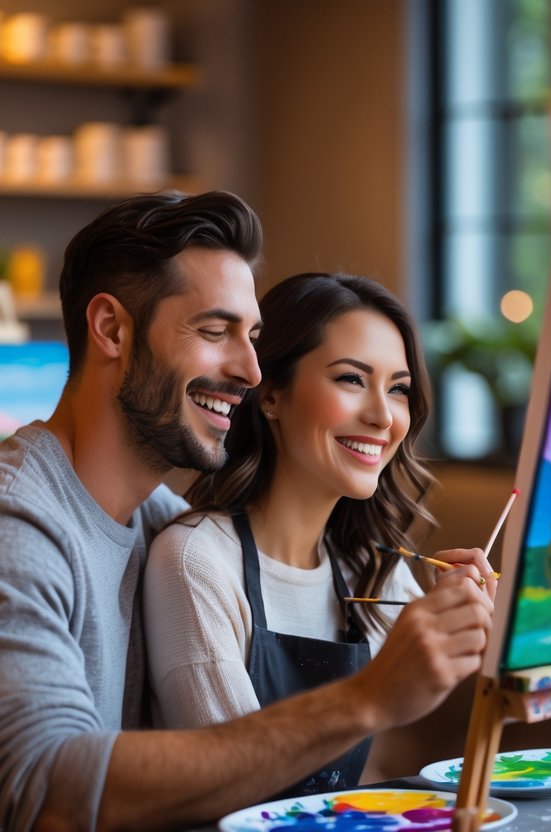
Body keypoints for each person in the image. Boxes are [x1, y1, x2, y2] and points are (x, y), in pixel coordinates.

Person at [0, 191, 493, 832]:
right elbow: (48, 794)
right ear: (111, 329)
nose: (248, 369)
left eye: (253, 337)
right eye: (215, 332)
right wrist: (366, 697)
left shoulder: (157, 517)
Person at [144, 272, 496, 796]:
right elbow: (226, 783)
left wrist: (470, 634)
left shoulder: (372, 568)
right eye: (351, 379)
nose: (383, 416)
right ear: (271, 397)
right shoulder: (195, 561)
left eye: (398, 389)